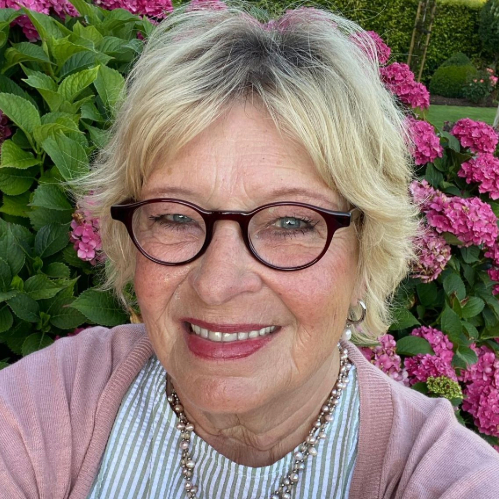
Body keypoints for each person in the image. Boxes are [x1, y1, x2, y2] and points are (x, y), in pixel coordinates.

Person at [1, 3, 499, 499]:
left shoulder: (442, 476)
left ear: (367, 253)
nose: (216, 285)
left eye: (289, 223)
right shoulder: (60, 400)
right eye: (174, 217)